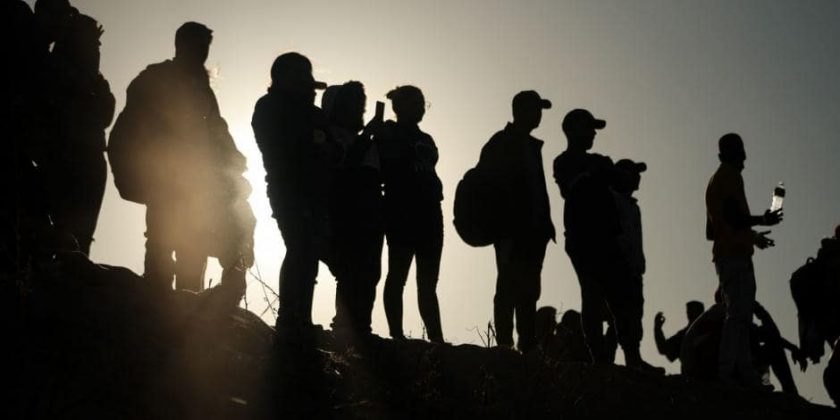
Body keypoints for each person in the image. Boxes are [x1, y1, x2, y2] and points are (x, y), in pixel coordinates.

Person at [109, 22, 254, 300]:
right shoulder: (156, 78)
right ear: (181, 45)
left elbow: (216, 128)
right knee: (162, 239)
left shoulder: (201, 88)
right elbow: (131, 126)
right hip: (164, 176)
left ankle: (188, 303)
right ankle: (156, 298)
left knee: (194, 241)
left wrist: (233, 158)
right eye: (198, 44)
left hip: (198, 183)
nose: (202, 52)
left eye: (206, 46)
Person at [553, 109, 660, 373]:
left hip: (608, 239)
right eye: (589, 128)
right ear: (573, 130)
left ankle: (632, 357)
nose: (593, 134)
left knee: (621, 301)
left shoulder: (598, 161)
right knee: (592, 296)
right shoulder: (564, 161)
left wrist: (603, 171)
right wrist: (597, 172)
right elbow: (572, 187)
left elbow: (620, 178)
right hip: (582, 239)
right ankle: (599, 358)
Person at [252, 52, 333, 338]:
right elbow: (280, 150)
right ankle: (289, 317)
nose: (309, 87)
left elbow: (330, 149)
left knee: (308, 253)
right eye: (303, 79)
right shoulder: (269, 107)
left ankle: (302, 318)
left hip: (315, 191)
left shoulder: (311, 113)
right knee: (300, 247)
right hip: (287, 188)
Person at [475, 91, 554, 353]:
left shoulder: (531, 147)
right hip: (510, 229)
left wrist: (545, 223)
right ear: (520, 110)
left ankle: (527, 343)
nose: (539, 115)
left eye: (539, 110)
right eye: (535, 109)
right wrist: (501, 219)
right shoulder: (502, 143)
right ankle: (505, 343)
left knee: (530, 289)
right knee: (508, 283)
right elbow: (486, 183)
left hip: (534, 230)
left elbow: (538, 189)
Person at [705, 133, 782, 388]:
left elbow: (713, 229)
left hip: (731, 254)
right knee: (738, 316)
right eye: (740, 152)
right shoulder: (729, 177)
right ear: (731, 154)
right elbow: (734, 218)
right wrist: (761, 220)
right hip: (733, 257)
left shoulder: (716, 181)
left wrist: (754, 237)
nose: (745, 158)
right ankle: (728, 373)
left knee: (739, 315)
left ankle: (743, 371)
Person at [40, 13, 114, 256]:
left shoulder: (94, 79)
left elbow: (105, 113)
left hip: (89, 158)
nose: (97, 47)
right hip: (65, 155)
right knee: (62, 235)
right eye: (93, 41)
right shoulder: (57, 69)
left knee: (79, 240)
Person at [377, 85, 444, 343]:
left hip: (430, 211)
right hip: (401, 211)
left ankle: (436, 338)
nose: (420, 108)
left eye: (422, 103)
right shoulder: (387, 133)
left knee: (428, 283)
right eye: (415, 103)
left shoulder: (426, 139)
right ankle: (397, 334)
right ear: (400, 107)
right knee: (398, 275)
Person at [321, 81, 384, 339]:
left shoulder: (366, 141)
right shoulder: (330, 136)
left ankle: (361, 327)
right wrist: (367, 136)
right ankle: (345, 328)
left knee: (369, 273)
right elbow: (344, 169)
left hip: (370, 214)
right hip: (345, 211)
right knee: (349, 271)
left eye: (361, 106)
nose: (359, 110)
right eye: (353, 105)